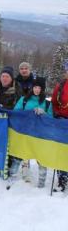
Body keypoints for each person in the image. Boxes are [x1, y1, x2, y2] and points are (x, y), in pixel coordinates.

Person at [10, 77, 52, 188]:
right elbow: (16, 112)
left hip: (40, 136)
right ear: (32, 87)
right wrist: (27, 113)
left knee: (41, 159)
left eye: (39, 88)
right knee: (18, 156)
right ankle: (12, 178)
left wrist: (44, 114)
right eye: (35, 87)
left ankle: (41, 183)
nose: (37, 90)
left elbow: (51, 119)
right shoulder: (24, 100)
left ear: (42, 89)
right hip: (25, 134)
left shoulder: (47, 104)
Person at [51, 60, 68, 192]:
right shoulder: (60, 86)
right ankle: (62, 180)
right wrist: (56, 115)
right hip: (62, 121)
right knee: (62, 151)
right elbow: (54, 103)